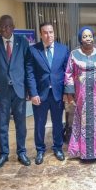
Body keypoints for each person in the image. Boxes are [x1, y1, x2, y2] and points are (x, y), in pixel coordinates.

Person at [0, 15, 30, 169]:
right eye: (2, 26)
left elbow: (28, 67)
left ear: (13, 27)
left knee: (21, 124)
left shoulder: (23, 42)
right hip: (1, 91)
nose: (5, 29)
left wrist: (28, 89)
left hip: (19, 90)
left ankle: (21, 152)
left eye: (8, 26)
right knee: (2, 124)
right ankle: (3, 154)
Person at [26, 22, 69, 165]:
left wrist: (66, 92)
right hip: (40, 94)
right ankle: (40, 150)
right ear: (40, 34)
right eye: (45, 32)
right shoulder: (33, 50)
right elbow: (30, 73)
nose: (48, 35)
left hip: (57, 93)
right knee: (39, 123)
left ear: (54, 33)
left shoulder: (63, 49)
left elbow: (67, 73)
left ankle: (58, 148)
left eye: (51, 32)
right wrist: (33, 93)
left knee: (58, 123)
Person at [64, 26, 96, 161]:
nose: (88, 38)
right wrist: (70, 93)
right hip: (81, 94)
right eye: (84, 36)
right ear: (80, 39)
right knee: (80, 122)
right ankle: (81, 151)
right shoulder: (74, 54)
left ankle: (95, 151)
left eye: (90, 36)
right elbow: (69, 73)